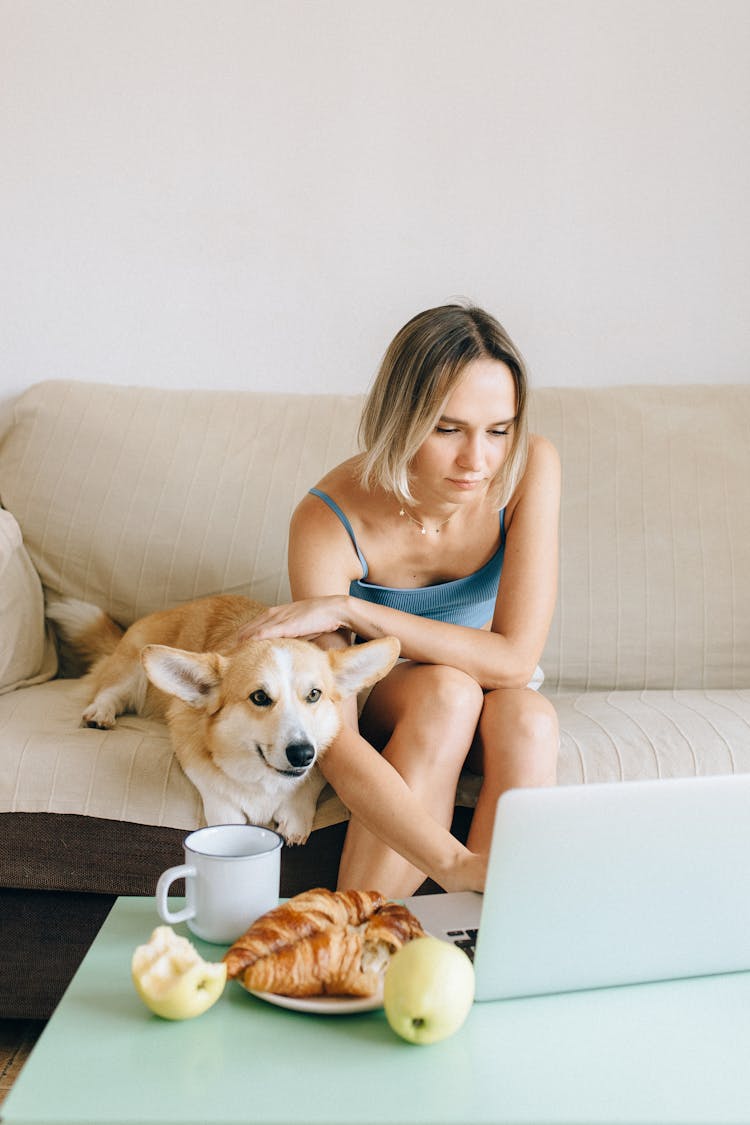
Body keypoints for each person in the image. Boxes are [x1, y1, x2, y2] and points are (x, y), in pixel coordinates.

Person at [239, 304, 561, 897]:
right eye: (447, 428)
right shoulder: (327, 519)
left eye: (499, 429)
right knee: (447, 691)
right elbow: (335, 735)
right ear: (400, 418)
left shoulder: (528, 467)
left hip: (493, 676)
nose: (478, 461)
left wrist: (352, 609)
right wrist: (452, 861)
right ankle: (358, 941)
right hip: (401, 692)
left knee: (531, 719)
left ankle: (493, 944)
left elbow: (515, 661)